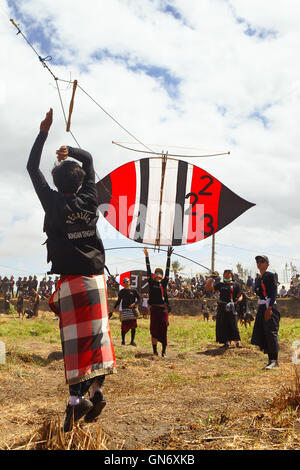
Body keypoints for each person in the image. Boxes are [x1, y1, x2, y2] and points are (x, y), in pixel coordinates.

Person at [27, 108, 116, 431]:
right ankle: (97, 389)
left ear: (55, 182)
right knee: (98, 340)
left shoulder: (52, 202)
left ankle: (76, 402)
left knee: (74, 345)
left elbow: (30, 167)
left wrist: (43, 132)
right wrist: (72, 152)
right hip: (96, 280)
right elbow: (89, 161)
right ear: (80, 183)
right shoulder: (91, 197)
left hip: (71, 283)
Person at [251, 255, 280, 369]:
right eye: (258, 261)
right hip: (262, 306)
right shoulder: (258, 279)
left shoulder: (270, 275)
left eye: (262, 261)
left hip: (270, 306)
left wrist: (270, 308)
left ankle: (275, 361)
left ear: (267, 264)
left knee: (271, 332)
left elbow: (273, 292)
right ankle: (270, 360)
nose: (259, 263)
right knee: (264, 332)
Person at [144, 246, 173, 358]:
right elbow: (148, 269)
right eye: (156, 272)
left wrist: (169, 257)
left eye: (160, 273)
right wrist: (147, 257)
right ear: (154, 275)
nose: (158, 274)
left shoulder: (164, 282)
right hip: (155, 310)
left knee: (164, 329)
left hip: (163, 309)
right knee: (154, 330)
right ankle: (155, 351)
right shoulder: (151, 282)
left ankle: (163, 352)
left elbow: (167, 269)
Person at [209, 269, 242, 348]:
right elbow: (209, 288)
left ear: (231, 275)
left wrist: (237, 302)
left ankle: (237, 342)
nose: (226, 275)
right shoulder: (220, 285)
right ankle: (227, 342)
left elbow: (241, 295)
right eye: (225, 273)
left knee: (233, 324)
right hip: (222, 306)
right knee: (224, 324)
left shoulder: (236, 285)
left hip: (232, 306)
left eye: (228, 273)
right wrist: (211, 278)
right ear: (223, 275)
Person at [113, 278, 140, 346]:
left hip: (132, 311)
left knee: (133, 327)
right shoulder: (122, 291)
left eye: (126, 281)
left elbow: (139, 299)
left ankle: (132, 341)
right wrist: (114, 308)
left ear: (129, 282)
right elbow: (119, 300)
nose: (125, 283)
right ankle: (123, 341)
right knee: (124, 327)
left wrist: (134, 304)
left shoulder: (134, 291)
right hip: (125, 311)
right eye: (124, 282)